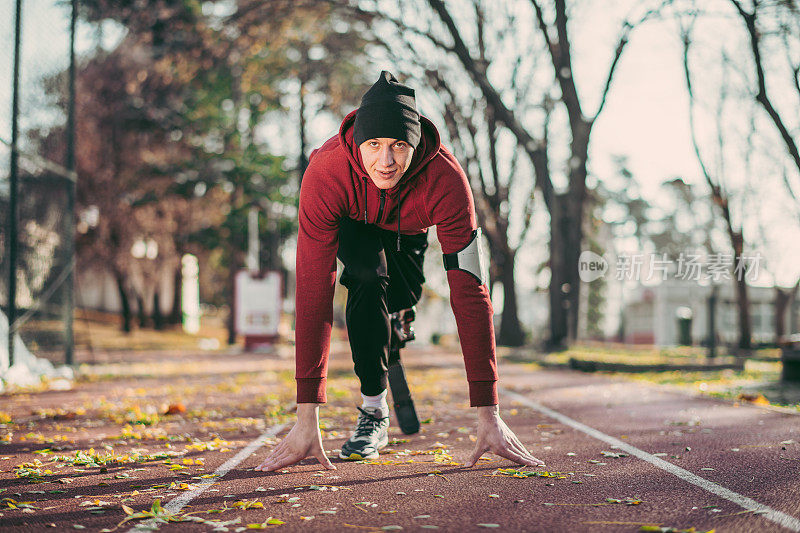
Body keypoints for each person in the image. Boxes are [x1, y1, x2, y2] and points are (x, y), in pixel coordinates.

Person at [255, 71, 544, 472]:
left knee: (398, 299)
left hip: (410, 231)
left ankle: (393, 324)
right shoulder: (326, 173)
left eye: (399, 146)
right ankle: (374, 409)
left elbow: (470, 290)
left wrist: (489, 412)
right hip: (355, 224)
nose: (386, 161)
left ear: (415, 143)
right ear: (358, 141)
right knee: (367, 280)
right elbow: (312, 291)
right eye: (374, 145)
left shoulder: (447, 180)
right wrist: (307, 417)